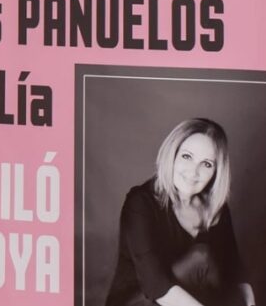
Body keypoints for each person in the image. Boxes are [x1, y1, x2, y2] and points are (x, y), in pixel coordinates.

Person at [105, 118, 255, 306]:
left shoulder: (216, 207)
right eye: (187, 156)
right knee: (201, 258)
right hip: (140, 300)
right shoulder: (140, 203)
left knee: (210, 265)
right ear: (172, 155)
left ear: (217, 171)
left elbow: (234, 269)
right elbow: (155, 285)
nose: (193, 172)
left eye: (207, 164)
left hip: (186, 300)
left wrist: (249, 302)